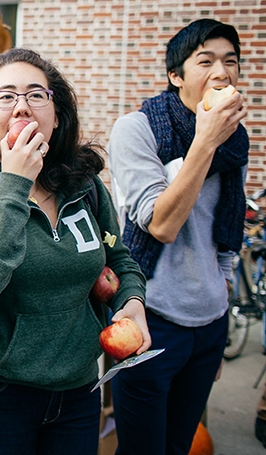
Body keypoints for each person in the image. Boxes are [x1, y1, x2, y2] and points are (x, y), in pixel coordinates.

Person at [0, 48, 150, 455]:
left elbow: (118, 260)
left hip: (79, 389)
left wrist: (132, 301)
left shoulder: (83, 186)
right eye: (6, 97)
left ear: (55, 114)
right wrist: (15, 182)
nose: (22, 106)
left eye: (37, 95)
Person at [107, 18, 248, 455]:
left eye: (231, 62)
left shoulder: (234, 140)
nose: (222, 73)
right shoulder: (138, 129)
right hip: (151, 318)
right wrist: (204, 141)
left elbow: (226, 228)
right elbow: (160, 224)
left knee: (182, 443)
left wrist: (221, 301)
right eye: (205, 61)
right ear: (176, 75)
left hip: (208, 323)